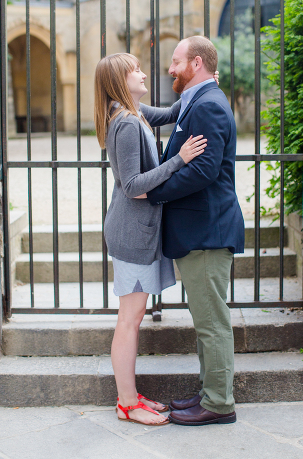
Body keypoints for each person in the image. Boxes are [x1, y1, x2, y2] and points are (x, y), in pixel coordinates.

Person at [94, 53, 208, 426]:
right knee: (129, 320)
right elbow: (133, 186)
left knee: (134, 316)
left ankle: (130, 396)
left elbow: (174, 112)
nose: (144, 74)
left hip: (136, 231)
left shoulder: (136, 112)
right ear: (120, 81)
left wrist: (199, 80)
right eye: (136, 70)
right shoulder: (127, 123)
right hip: (131, 234)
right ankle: (127, 403)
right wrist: (179, 159)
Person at [145, 36, 245, 426]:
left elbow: (204, 171)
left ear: (197, 63)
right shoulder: (197, 99)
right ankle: (209, 392)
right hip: (201, 230)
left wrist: (153, 192)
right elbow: (165, 115)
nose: (170, 68)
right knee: (206, 322)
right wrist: (120, 99)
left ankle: (219, 403)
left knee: (212, 323)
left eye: (176, 61)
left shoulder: (209, 106)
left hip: (207, 231)